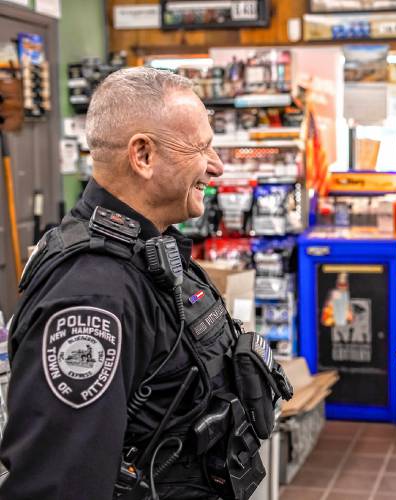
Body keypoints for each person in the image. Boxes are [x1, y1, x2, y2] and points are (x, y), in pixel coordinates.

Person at [0, 67, 291, 499]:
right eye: (202, 148)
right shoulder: (92, 294)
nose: (217, 166)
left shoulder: (151, 250)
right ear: (144, 156)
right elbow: (58, 483)